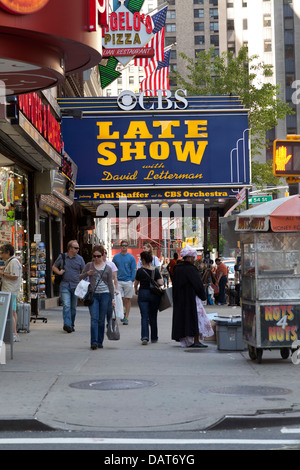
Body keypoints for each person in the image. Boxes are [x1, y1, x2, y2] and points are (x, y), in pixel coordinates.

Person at [172, 245, 213, 348]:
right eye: (193, 258)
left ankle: (185, 340)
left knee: (183, 319)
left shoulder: (177, 268)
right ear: (189, 257)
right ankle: (196, 341)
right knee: (195, 319)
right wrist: (203, 296)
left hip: (180, 299)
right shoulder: (191, 269)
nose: (194, 260)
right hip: (191, 299)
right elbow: (197, 284)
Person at [79, 245, 114, 350]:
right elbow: (79, 277)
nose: (96, 258)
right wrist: (87, 273)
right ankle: (93, 342)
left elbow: (110, 285)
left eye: (98, 256)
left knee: (101, 319)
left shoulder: (108, 268)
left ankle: (100, 341)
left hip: (105, 295)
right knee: (94, 318)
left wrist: (112, 299)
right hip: (93, 295)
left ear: (103, 255)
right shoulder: (89, 265)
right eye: (94, 256)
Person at [53, 240, 85, 333]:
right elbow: (54, 266)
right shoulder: (62, 257)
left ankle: (71, 324)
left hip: (76, 286)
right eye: (76, 248)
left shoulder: (80, 259)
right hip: (65, 285)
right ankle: (67, 324)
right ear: (70, 249)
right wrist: (59, 272)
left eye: (78, 248)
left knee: (73, 307)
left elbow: (84, 272)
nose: (78, 250)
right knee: (66, 305)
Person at [134, 251, 163, 345]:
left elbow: (136, 283)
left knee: (144, 316)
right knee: (153, 316)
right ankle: (154, 338)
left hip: (143, 293)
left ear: (143, 260)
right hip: (154, 295)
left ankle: (145, 337)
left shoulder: (140, 271)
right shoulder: (155, 270)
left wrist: (136, 290)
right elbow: (161, 283)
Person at [0, 243, 22, 342]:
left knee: (11, 312)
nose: (1, 255)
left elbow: (14, 276)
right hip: (9, 290)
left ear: (8, 252)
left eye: (2, 253)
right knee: (12, 312)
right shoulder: (10, 262)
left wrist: (3, 273)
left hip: (10, 290)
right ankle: (14, 333)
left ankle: (14, 333)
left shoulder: (13, 262)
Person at [112, 240, 136, 325]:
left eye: (125, 245)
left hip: (128, 281)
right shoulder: (116, 257)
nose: (124, 247)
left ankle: (126, 317)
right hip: (118, 281)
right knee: (119, 299)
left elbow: (134, 269)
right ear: (120, 246)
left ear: (127, 246)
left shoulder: (131, 258)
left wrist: (132, 280)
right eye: (122, 245)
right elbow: (113, 268)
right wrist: (114, 279)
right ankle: (122, 313)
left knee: (127, 299)